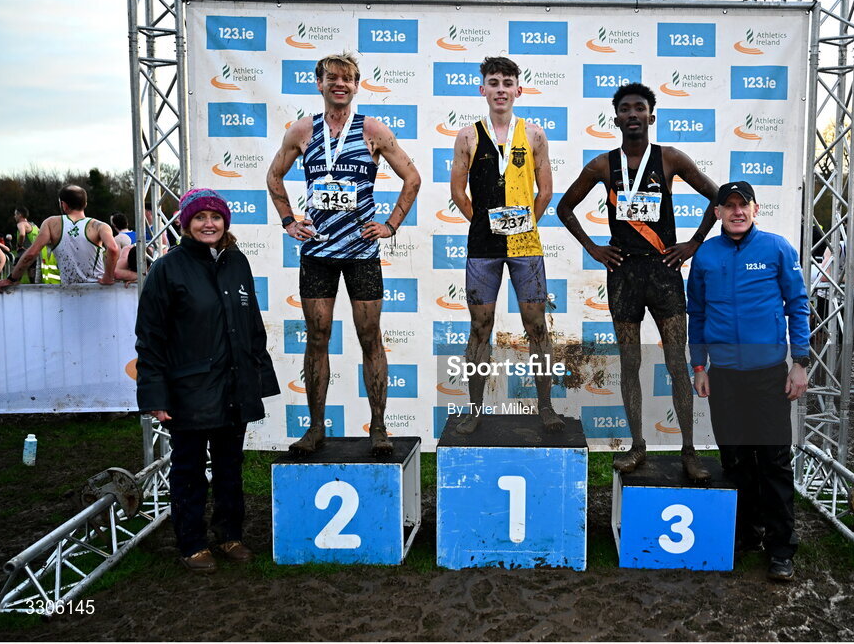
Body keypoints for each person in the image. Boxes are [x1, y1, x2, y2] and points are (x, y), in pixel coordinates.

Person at [557, 82, 718, 478]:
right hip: (623, 274)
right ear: (616, 119)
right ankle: (637, 446)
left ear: (651, 116)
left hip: (664, 273)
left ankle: (688, 451)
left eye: (639, 108)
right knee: (629, 364)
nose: (632, 114)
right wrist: (593, 249)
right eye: (625, 109)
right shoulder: (602, 165)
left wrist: (694, 243)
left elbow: (718, 197)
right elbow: (564, 208)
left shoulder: (670, 159)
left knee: (676, 364)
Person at [266, 52, 421, 456]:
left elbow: (413, 177)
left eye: (348, 79)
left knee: (370, 337)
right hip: (317, 252)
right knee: (318, 338)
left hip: (361, 253)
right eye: (332, 78)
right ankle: (315, 429)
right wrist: (288, 221)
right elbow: (274, 175)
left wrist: (390, 225)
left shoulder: (372, 129)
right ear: (319, 84)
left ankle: (380, 429)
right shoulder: (303, 130)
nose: (341, 84)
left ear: (357, 85)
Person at [135, 188, 279, 573]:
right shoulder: (167, 269)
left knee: (231, 467)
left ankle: (230, 535)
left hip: (235, 388)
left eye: (215, 216)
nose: (208, 224)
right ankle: (192, 543)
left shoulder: (237, 262)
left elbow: (251, 327)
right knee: (189, 471)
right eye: (199, 217)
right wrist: (155, 394)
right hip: (189, 392)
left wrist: (259, 379)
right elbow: (150, 338)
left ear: (225, 222)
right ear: (186, 224)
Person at [687, 180, 810, 583]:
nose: (737, 212)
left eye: (744, 205)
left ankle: (781, 547)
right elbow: (698, 315)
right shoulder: (705, 254)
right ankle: (746, 535)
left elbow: (798, 305)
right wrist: (700, 366)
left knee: (774, 461)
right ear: (718, 213)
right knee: (736, 462)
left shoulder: (777, 248)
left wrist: (800, 361)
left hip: (770, 375)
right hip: (724, 377)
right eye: (729, 206)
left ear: (756, 209)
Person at [449, 56, 564, 436]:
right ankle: (474, 408)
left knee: (536, 326)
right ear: (482, 89)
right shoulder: (467, 136)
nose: (501, 89)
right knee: (480, 327)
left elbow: (545, 192)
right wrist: (485, 224)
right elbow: (457, 192)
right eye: (493, 82)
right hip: (483, 246)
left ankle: (545, 407)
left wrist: (519, 226)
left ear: (519, 89)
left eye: (507, 82)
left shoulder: (534, 135)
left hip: (525, 244)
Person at [0, 185, 119, 292]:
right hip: (99, 290)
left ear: (63, 205)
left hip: (69, 292)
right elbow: (113, 249)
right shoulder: (99, 226)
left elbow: (32, 253)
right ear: (85, 204)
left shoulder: (51, 223)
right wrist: (108, 276)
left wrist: (11, 279)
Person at [13, 206, 41, 283]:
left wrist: (19, 245)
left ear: (20, 215)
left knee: (14, 278)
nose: (14, 216)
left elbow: (22, 234)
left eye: (15, 214)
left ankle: (14, 294)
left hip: (23, 253)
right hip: (34, 254)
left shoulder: (21, 224)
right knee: (33, 280)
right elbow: (41, 235)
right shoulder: (34, 226)